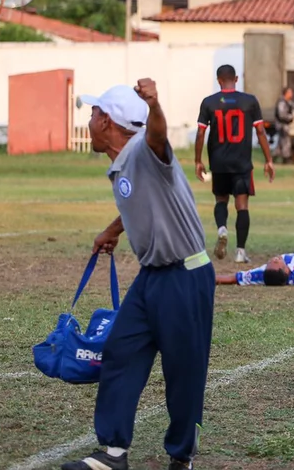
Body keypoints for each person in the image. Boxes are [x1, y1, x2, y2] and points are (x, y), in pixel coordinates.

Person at [62, 80, 214, 470]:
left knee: (183, 371)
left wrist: (156, 104)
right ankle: (112, 453)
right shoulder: (122, 162)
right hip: (152, 278)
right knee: (120, 351)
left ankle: (182, 458)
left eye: (94, 113)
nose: (89, 118)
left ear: (107, 122)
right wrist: (112, 230)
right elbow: (142, 202)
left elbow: (158, 135)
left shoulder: (145, 148)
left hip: (185, 275)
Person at [195, 65, 275, 264]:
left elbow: (200, 133)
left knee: (221, 200)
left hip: (219, 162)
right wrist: (268, 159)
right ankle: (240, 251)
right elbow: (261, 132)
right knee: (242, 206)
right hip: (241, 163)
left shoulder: (209, 102)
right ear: (236, 78)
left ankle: (222, 228)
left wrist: (198, 160)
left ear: (218, 79)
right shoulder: (249, 101)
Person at [274, 87, 294, 163]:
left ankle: (274, 157)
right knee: (285, 142)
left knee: (281, 142)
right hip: (282, 125)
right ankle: (286, 158)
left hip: (284, 124)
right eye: (290, 92)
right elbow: (281, 114)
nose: (291, 94)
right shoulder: (282, 102)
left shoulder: (288, 102)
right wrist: (290, 117)